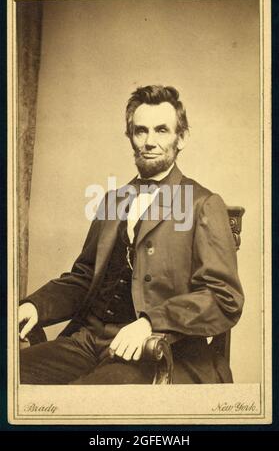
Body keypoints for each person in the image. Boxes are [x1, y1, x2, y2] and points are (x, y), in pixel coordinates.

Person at [19, 85, 244, 384]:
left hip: (162, 351)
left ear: (182, 138)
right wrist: (35, 305)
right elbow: (85, 277)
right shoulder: (113, 200)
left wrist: (151, 322)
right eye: (141, 131)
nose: (150, 142)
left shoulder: (203, 203)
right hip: (91, 339)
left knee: (86, 401)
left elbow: (223, 298)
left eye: (162, 130)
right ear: (130, 137)